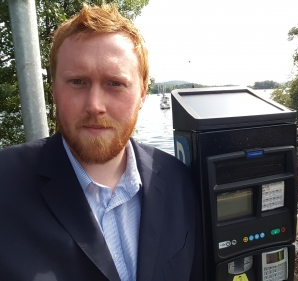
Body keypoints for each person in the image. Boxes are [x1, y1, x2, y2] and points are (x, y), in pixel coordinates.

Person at [0, 3, 202, 281]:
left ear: (142, 95)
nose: (95, 105)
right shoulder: (5, 183)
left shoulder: (178, 180)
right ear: (55, 91)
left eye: (114, 83)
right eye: (78, 82)